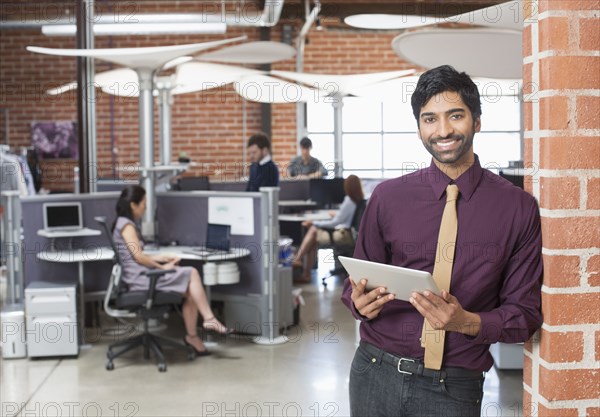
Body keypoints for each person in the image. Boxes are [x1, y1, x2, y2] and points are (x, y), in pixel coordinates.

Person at [341, 65, 542, 417]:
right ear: (419, 126)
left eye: (455, 116)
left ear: (476, 121)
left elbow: (524, 315)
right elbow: (354, 284)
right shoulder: (387, 197)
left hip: (455, 385)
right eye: (429, 119)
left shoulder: (517, 207)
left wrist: (465, 321)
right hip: (374, 370)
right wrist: (359, 303)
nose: (443, 130)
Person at [112, 185, 232, 355]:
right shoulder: (127, 226)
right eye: (144, 203)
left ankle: (192, 337)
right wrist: (163, 267)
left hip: (140, 275)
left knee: (191, 291)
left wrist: (162, 258)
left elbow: (136, 255)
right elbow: (138, 257)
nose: (146, 207)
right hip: (140, 279)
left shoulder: (125, 224)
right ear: (133, 205)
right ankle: (209, 319)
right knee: (192, 273)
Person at [293, 175, 364, 282]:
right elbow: (346, 217)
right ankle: (305, 273)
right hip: (350, 233)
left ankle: (298, 260)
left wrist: (314, 222)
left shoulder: (348, 200)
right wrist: (337, 214)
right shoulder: (359, 199)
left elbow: (334, 223)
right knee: (313, 240)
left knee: (313, 229)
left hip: (343, 235)